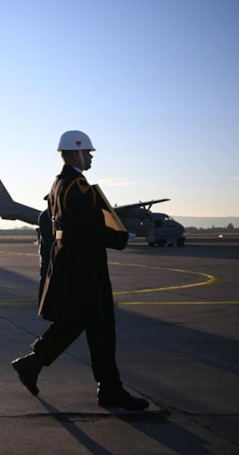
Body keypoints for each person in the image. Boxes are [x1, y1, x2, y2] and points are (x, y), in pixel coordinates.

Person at [10, 130, 149, 411]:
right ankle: (109, 389)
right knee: (100, 326)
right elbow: (86, 226)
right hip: (84, 265)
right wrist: (120, 238)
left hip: (71, 262)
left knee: (78, 322)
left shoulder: (59, 183)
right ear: (75, 153)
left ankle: (34, 364)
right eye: (88, 152)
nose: (91, 157)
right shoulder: (78, 185)